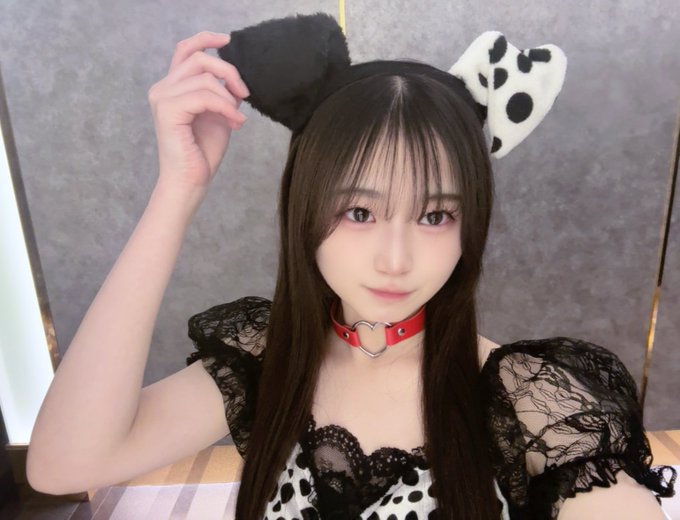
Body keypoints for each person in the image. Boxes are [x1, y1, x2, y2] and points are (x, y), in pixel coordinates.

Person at [26, 13, 676, 520]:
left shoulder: (524, 397)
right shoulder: (272, 358)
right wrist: (178, 190)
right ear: (304, 207)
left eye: (435, 215)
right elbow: (62, 465)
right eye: (359, 212)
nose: (395, 260)